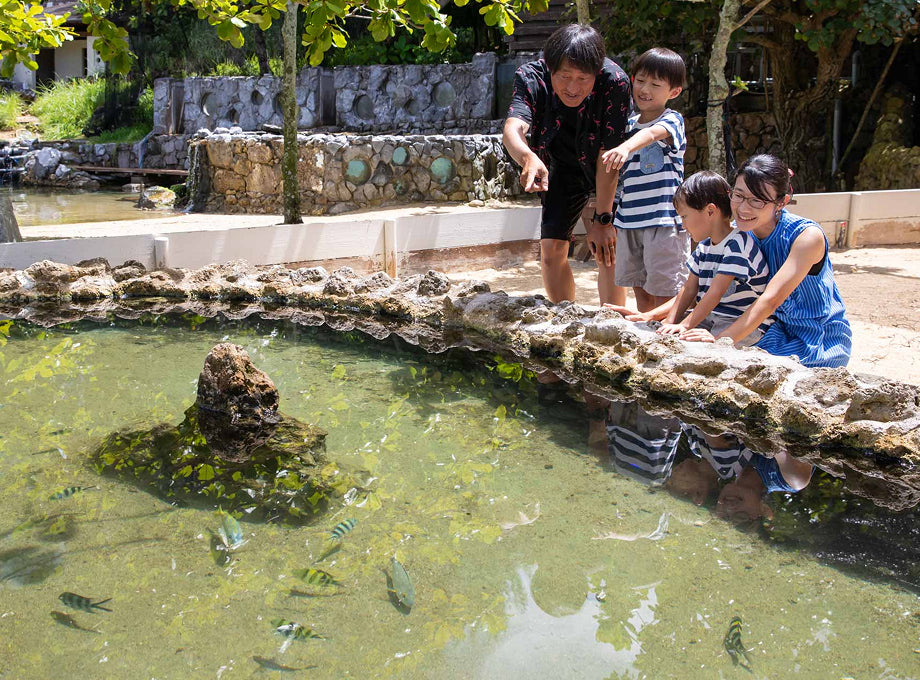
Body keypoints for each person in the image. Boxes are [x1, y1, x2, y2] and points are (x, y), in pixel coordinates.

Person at [679, 154, 852, 368]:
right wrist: (650, 316)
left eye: (757, 201)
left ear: (782, 202)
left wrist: (720, 342)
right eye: (738, 196)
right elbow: (699, 287)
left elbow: (771, 300)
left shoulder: (806, 237)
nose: (743, 209)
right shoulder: (741, 235)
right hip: (767, 330)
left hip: (814, 340)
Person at [503, 24, 632, 305]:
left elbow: (607, 154)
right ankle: (565, 319)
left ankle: (611, 326)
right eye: (564, 76)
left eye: (583, 79)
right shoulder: (530, 77)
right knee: (551, 253)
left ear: (597, 73)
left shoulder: (616, 82)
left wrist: (603, 218)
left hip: (607, 164)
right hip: (560, 167)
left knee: (607, 249)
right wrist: (528, 157)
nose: (573, 88)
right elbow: (513, 127)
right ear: (550, 68)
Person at [615, 171, 772, 347]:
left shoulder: (737, 245)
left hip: (739, 323)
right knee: (662, 331)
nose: (683, 225)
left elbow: (715, 293)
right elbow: (689, 289)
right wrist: (668, 322)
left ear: (710, 211)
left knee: (693, 342)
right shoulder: (705, 247)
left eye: (684, 216)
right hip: (713, 317)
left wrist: (685, 325)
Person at [601, 47, 689, 313]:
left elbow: (651, 135)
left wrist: (626, 147)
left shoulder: (672, 120)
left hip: (662, 224)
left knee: (665, 293)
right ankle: (646, 337)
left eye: (655, 84)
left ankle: (668, 339)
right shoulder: (627, 125)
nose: (644, 89)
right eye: (639, 80)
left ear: (673, 92)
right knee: (640, 291)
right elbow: (621, 178)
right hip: (628, 223)